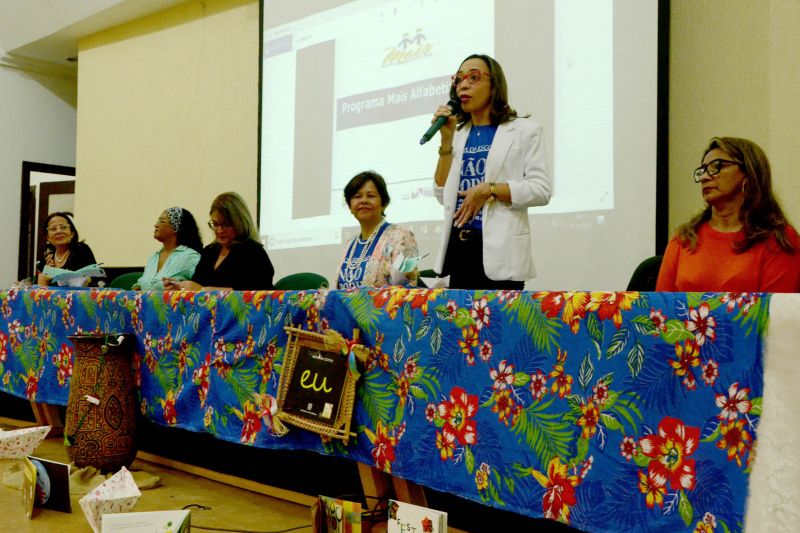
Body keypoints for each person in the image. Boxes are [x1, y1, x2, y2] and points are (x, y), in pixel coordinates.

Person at [431, 53, 551, 290]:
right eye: (459, 79)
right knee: (461, 327)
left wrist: (490, 190)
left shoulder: (524, 131)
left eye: (474, 78)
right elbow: (441, 194)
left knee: (496, 326)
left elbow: (541, 190)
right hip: (458, 249)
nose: (463, 85)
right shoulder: (458, 133)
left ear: (494, 85)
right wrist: (446, 141)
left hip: (501, 254)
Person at [656, 136, 800, 292]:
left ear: (749, 173)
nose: (704, 177)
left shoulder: (780, 238)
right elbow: (661, 310)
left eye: (716, 166)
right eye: (702, 170)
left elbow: (773, 312)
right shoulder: (684, 238)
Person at [163, 192, 274, 291]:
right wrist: (181, 287)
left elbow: (251, 294)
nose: (219, 230)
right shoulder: (210, 251)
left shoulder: (254, 253)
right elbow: (196, 285)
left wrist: (203, 290)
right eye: (215, 224)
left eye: (226, 224)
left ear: (239, 222)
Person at [336, 171, 419, 289]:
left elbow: (405, 290)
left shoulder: (403, 237)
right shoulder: (350, 244)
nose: (363, 200)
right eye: (357, 196)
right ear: (350, 207)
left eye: (371, 196)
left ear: (384, 203)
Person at [133, 207, 203, 291]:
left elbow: (200, 288)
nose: (156, 225)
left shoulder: (190, 256)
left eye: (161, 221)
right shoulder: (153, 257)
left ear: (176, 228)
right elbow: (141, 285)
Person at [36, 212, 97, 286]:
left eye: (63, 227)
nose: (59, 231)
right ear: (47, 237)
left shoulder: (81, 249)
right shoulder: (47, 253)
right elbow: (41, 286)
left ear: (72, 233)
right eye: (53, 229)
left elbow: (89, 281)